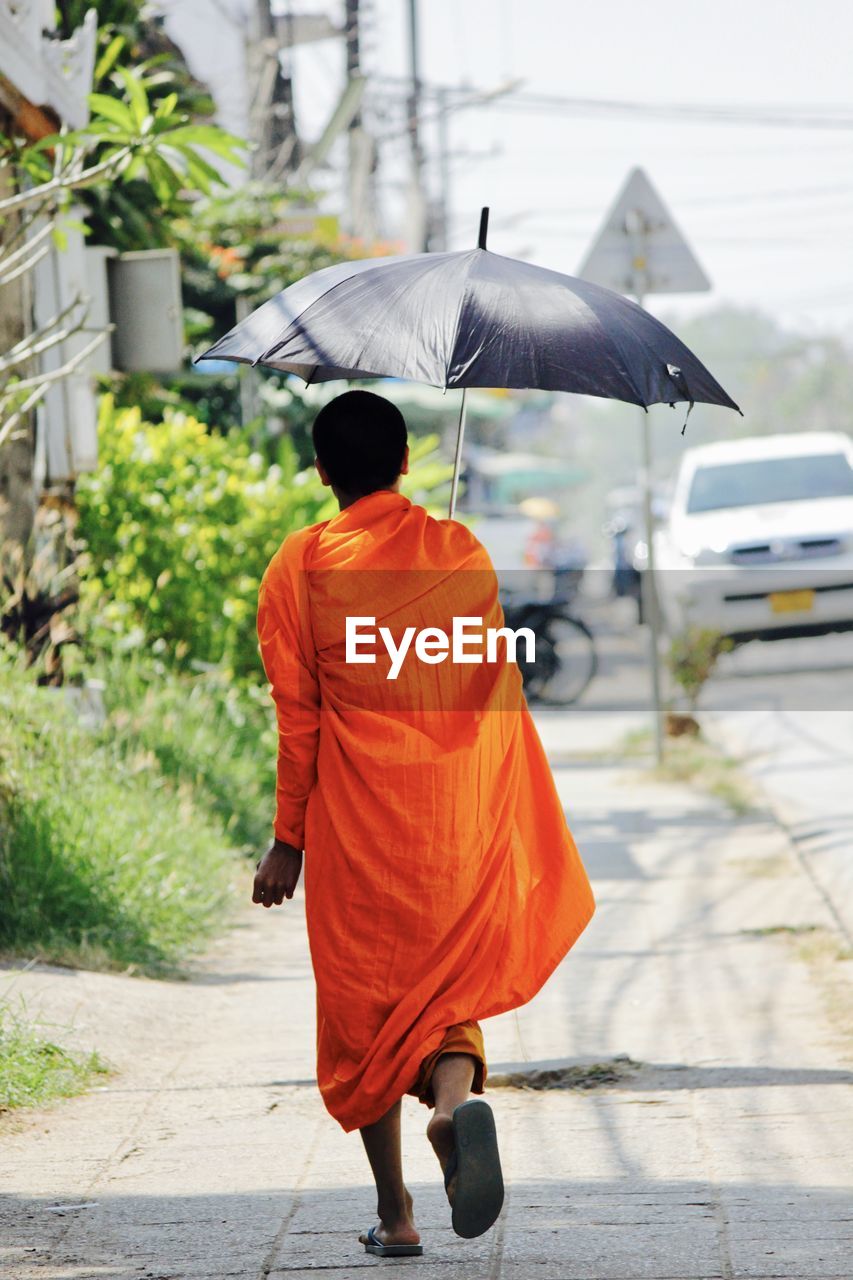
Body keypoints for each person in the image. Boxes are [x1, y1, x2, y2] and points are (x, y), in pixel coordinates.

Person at [252, 389, 595, 1257]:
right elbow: (485, 692)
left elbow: (299, 718)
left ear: (321, 470)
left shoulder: (300, 566)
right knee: (442, 996)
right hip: (447, 821)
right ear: (406, 464)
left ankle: (397, 1215)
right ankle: (452, 1107)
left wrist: (288, 839)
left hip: (355, 825)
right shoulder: (461, 552)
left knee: (367, 1008)